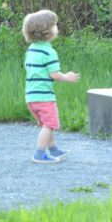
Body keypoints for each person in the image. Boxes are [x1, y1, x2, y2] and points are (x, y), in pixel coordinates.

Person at [22, 9, 80, 164]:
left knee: (47, 124)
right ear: (46, 31)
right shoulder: (49, 52)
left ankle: (54, 149)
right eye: (55, 25)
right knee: (50, 124)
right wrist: (67, 77)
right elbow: (54, 74)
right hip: (44, 96)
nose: (57, 28)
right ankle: (39, 154)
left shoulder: (31, 49)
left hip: (31, 96)